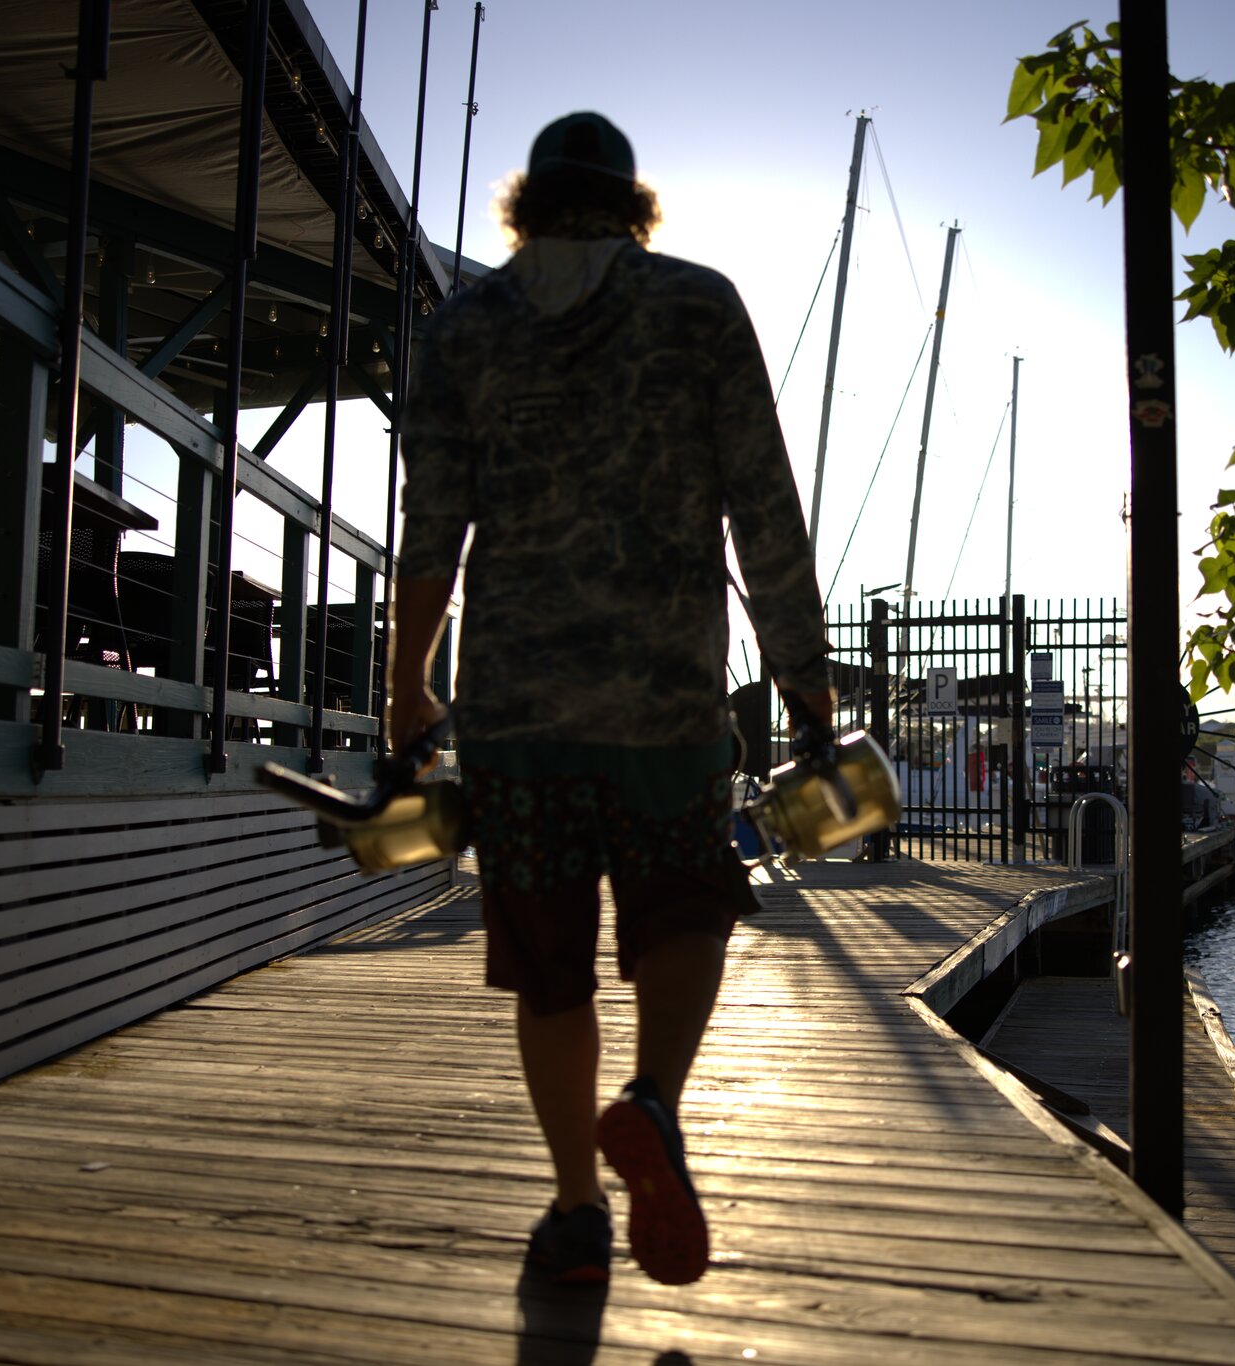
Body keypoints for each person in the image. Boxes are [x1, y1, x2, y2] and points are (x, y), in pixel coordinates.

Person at [387, 112, 831, 1289]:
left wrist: (404, 687)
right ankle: (652, 1101)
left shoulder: (461, 332)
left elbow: (429, 532)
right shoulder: (697, 306)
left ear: (522, 205)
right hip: (665, 702)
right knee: (685, 913)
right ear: (634, 205)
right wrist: (809, 696)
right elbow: (766, 515)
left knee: (548, 965)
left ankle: (576, 1206)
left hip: (515, 712)